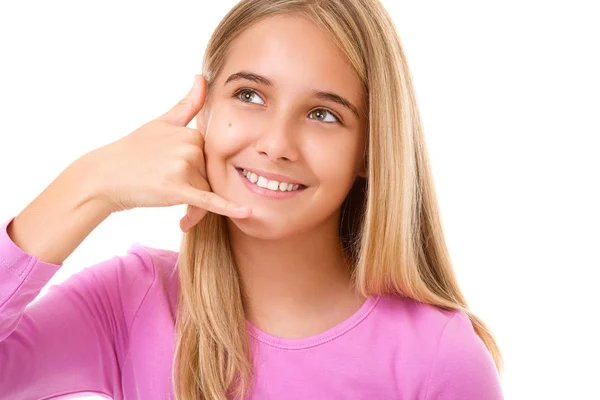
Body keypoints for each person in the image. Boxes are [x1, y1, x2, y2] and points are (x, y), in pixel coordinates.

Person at [0, 0, 504, 399]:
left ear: (371, 150)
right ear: (205, 107)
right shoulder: (132, 299)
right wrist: (89, 182)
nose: (275, 144)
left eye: (324, 114)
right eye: (250, 96)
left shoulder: (439, 360)